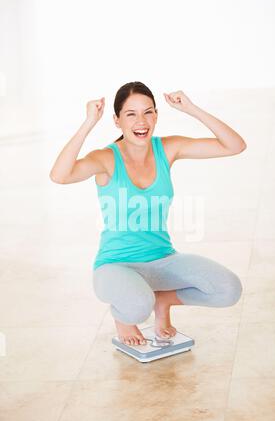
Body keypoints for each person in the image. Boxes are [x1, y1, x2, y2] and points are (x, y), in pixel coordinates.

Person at [49, 81, 247, 347]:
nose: (141, 121)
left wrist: (192, 109)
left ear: (156, 115)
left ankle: (162, 300)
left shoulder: (167, 148)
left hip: (163, 260)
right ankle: (124, 317)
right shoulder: (106, 158)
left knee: (229, 290)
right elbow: (60, 176)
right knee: (138, 307)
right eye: (130, 114)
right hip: (115, 266)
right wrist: (88, 123)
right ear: (117, 121)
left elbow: (235, 146)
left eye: (148, 112)